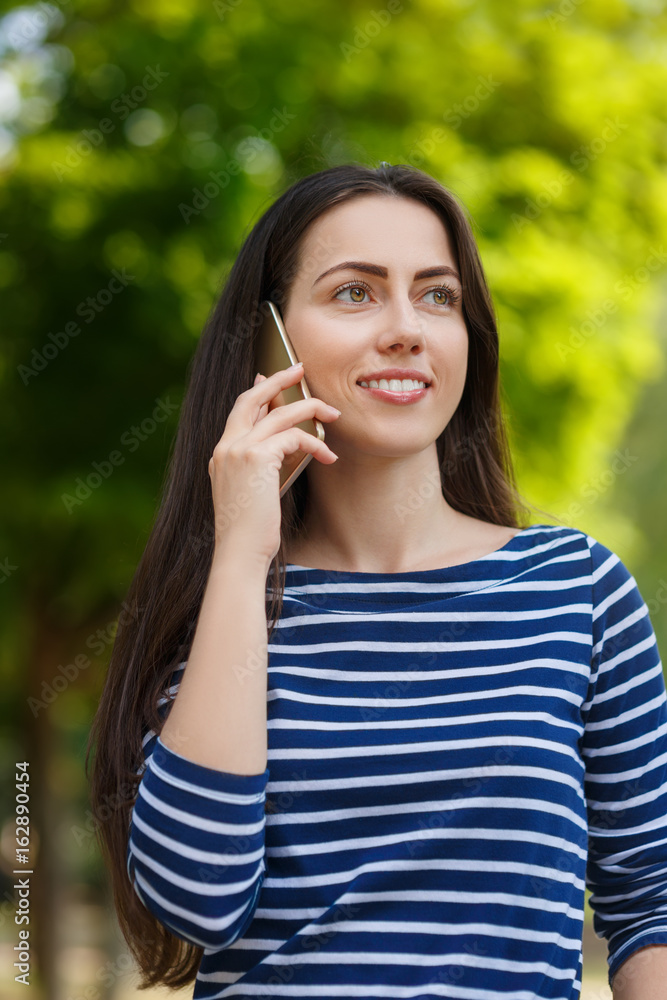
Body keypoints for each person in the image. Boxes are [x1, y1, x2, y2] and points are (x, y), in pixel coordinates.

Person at [87, 163, 667, 999]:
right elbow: (192, 900)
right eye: (355, 294)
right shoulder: (226, 607)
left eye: (437, 296)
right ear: (268, 342)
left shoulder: (575, 589)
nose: (406, 329)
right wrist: (242, 554)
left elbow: (649, 900)